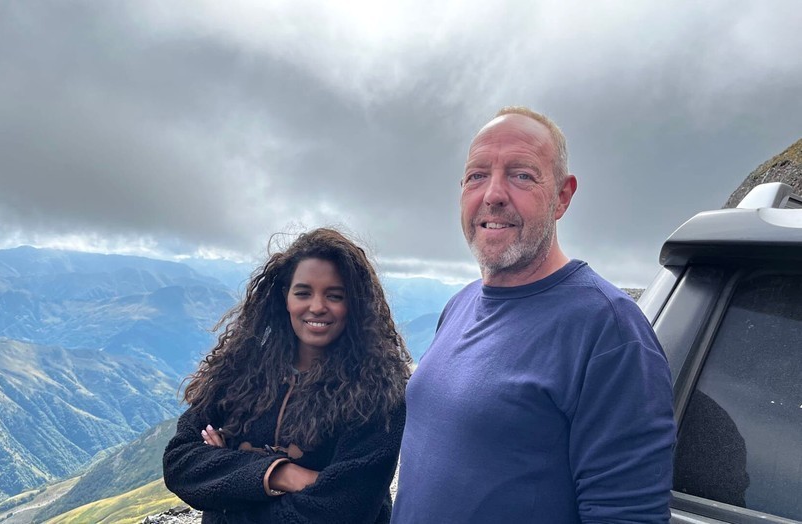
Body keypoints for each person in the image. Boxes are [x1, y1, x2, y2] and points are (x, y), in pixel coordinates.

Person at [391, 107, 677, 523]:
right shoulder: (459, 305)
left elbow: (628, 515)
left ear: (562, 196)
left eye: (521, 174)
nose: (492, 194)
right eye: (476, 175)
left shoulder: (608, 330)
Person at [163, 228, 411, 524]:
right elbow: (179, 462)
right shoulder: (241, 371)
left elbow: (344, 510)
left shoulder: (379, 393)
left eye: (334, 295)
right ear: (285, 297)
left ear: (355, 304)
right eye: (303, 292)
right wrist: (284, 474)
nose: (317, 307)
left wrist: (226, 488)